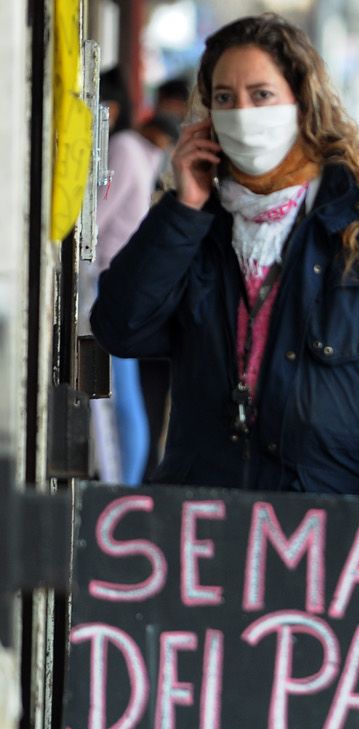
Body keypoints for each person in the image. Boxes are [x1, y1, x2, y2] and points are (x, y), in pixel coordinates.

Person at [91, 13, 359, 495]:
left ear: (302, 104)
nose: (242, 113)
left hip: (336, 525)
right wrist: (183, 207)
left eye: (261, 95)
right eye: (224, 98)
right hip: (212, 520)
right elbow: (119, 327)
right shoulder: (197, 225)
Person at [84, 67, 165, 485]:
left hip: (107, 280)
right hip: (121, 280)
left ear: (109, 109)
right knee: (120, 392)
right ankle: (122, 483)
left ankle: (122, 486)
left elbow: (95, 218)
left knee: (116, 393)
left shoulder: (124, 147)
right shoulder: (140, 151)